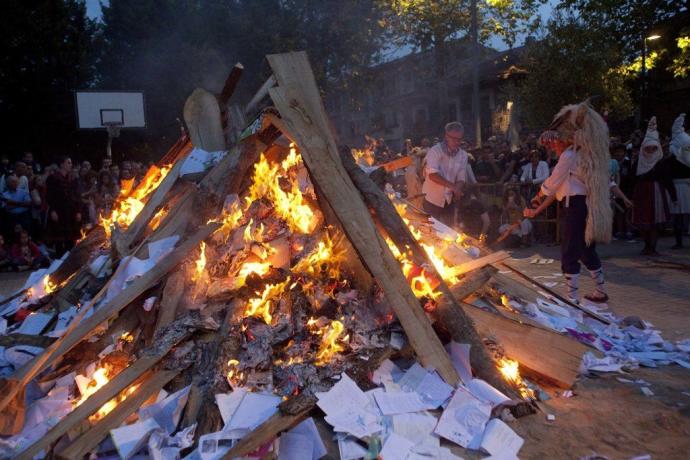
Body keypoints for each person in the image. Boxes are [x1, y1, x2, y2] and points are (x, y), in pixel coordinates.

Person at [524, 101, 613, 304]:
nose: (553, 146)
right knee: (586, 250)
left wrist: (535, 200)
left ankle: (571, 298)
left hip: (575, 207)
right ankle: (600, 291)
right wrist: (535, 209)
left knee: (570, 250)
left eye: (555, 142)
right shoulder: (581, 155)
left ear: (565, 139)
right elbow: (555, 191)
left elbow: (550, 184)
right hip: (582, 206)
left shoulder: (570, 155)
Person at [630, 117, 677, 255]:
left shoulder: (660, 162)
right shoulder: (639, 162)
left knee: (655, 222)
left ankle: (653, 247)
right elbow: (632, 179)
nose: (650, 149)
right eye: (648, 147)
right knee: (641, 221)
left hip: (657, 192)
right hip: (641, 192)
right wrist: (628, 196)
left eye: (653, 147)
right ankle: (647, 245)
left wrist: (673, 195)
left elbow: (667, 179)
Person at [421, 122, 476, 227]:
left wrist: (458, 190)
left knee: (448, 232)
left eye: (459, 139)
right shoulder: (435, 151)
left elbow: (461, 177)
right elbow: (432, 175)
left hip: (449, 201)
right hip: (432, 199)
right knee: (431, 231)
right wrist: (453, 187)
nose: (457, 142)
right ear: (446, 136)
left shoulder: (463, 155)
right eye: (454, 138)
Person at [46, 156, 81, 256]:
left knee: (71, 239)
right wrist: (52, 211)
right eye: (68, 163)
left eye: (71, 163)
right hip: (58, 210)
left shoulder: (73, 179)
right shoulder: (52, 178)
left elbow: (77, 196)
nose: (70, 165)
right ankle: (59, 261)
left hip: (71, 211)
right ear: (62, 164)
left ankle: (70, 261)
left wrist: (78, 211)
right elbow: (49, 196)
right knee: (59, 239)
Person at [668, 113, 690, 248]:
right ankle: (678, 241)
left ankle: (680, 240)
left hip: (686, 186)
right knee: (678, 216)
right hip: (677, 187)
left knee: (681, 215)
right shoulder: (672, 160)